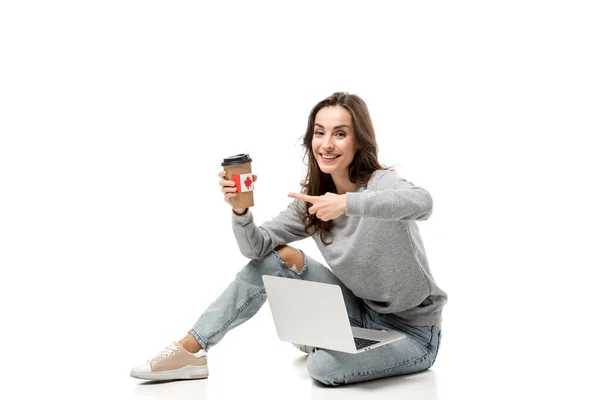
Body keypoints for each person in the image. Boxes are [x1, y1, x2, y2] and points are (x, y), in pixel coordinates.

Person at [130, 92, 448, 386]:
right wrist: (240, 211)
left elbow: (423, 203)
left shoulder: (380, 183)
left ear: (358, 141)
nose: (327, 143)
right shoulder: (311, 202)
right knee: (277, 257)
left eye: (340, 133)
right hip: (360, 311)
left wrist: (347, 203)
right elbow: (256, 249)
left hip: (415, 332)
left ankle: (321, 337)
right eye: (319, 132)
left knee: (323, 368)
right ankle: (190, 349)